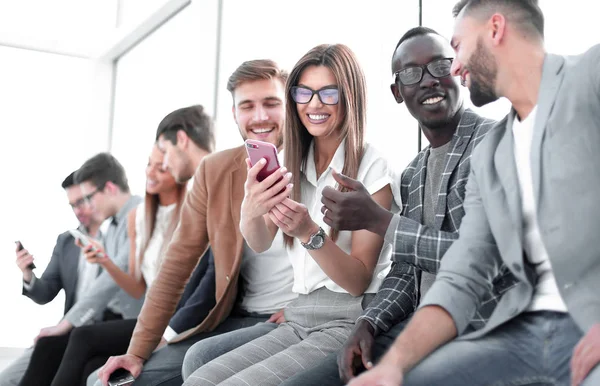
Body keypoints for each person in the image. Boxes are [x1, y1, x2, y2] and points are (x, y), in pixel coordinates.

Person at [349, 1, 600, 385]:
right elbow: (465, 272)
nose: (454, 69)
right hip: (522, 331)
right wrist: (393, 365)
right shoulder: (494, 153)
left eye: (457, 48)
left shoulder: (589, 78)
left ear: (496, 30)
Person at [280, 26, 516, 386]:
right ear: (397, 92)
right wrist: (368, 323)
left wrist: (381, 222)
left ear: (459, 73)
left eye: (440, 66)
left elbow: (488, 261)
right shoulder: (413, 173)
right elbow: (406, 272)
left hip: (482, 333)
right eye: (410, 73)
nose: (428, 81)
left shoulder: (496, 144)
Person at [183, 43, 398, 386]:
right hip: (300, 314)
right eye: (304, 93)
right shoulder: (291, 163)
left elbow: (357, 281)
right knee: (199, 376)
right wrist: (250, 208)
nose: (314, 104)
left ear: (350, 97)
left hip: (348, 318)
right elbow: (260, 240)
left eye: (328, 93)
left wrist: (308, 232)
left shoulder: (373, 167)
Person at [97, 60, 297, 386]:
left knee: (200, 368)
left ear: (288, 105)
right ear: (234, 113)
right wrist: (136, 351)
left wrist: (308, 307)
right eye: (247, 106)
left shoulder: (316, 162)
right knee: (108, 381)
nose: (259, 116)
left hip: (289, 321)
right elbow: (176, 264)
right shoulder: (214, 170)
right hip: (231, 317)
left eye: (271, 103)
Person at [48, 144, 212, 386]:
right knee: (92, 369)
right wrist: (106, 262)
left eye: (162, 167)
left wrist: (165, 333)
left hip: (170, 317)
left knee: (82, 338)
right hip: (149, 315)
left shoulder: (187, 214)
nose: (150, 173)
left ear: (178, 173)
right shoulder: (140, 217)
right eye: (149, 165)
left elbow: (191, 285)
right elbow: (137, 287)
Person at [18, 153, 142, 386]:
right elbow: (48, 290)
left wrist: (65, 324)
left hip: (132, 318)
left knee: (81, 336)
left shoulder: (138, 215)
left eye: (88, 198)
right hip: (111, 319)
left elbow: (113, 282)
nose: (87, 207)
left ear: (109, 188)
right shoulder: (108, 227)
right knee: (54, 346)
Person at [0, 172, 103, 386]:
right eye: (72, 205)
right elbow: (45, 292)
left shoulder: (119, 236)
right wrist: (28, 274)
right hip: (67, 329)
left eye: (82, 202)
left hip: (104, 330)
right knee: (7, 379)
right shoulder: (66, 241)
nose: (77, 210)